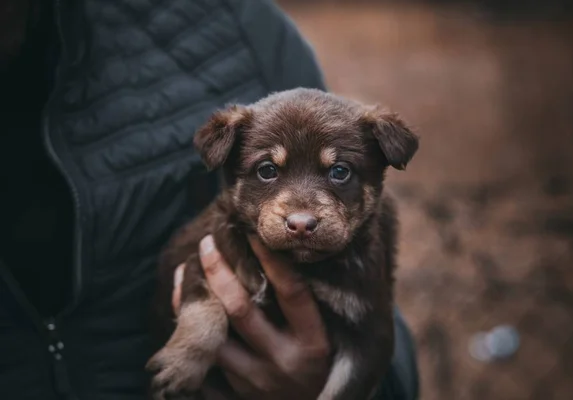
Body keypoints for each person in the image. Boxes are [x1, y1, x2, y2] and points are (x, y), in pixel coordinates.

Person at [0, 0, 419, 399]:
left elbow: (382, 345)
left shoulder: (239, 32)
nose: (302, 215)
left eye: (339, 172)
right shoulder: (219, 217)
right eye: (268, 172)